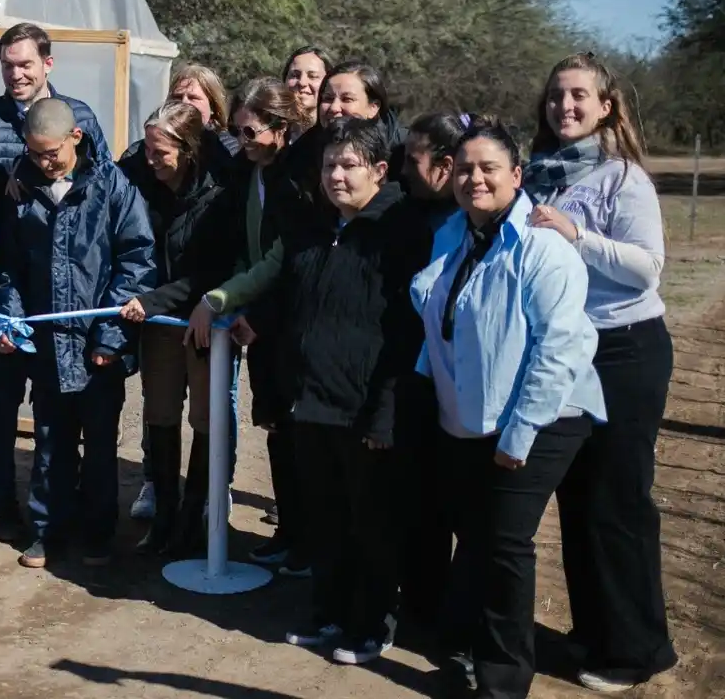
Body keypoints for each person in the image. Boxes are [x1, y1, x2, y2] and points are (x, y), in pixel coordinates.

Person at [409, 118, 605, 698]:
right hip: (471, 410)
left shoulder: (544, 249)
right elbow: (441, 321)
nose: (475, 179)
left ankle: (502, 680)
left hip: (547, 415)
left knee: (504, 542)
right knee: (475, 531)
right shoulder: (452, 234)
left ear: (517, 176)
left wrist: (519, 435)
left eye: (489, 168)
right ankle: (470, 642)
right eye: (465, 168)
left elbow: (559, 348)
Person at [232, 119, 431, 663]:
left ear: (380, 171)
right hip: (310, 404)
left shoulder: (401, 233)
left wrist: (385, 413)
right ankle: (330, 614)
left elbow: (407, 333)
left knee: (372, 525)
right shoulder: (316, 230)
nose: (336, 176)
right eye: (328, 165)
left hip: (363, 410)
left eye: (348, 166)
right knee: (326, 520)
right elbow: (293, 307)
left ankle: (372, 625)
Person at [523, 53, 676, 693]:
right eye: (557, 95)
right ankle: (593, 632)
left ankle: (637, 649)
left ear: (606, 106)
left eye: (580, 95)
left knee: (617, 503)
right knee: (578, 498)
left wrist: (574, 234)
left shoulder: (623, 179)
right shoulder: (540, 175)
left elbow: (647, 268)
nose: (567, 106)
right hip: (567, 349)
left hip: (626, 350)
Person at [0, 98, 155, 569]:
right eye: (35, 153)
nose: (44, 162)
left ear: (75, 138)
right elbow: (12, 268)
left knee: (101, 446)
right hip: (46, 345)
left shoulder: (112, 187)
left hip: (95, 347)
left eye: (52, 154)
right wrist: (14, 322)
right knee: (50, 442)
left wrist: (110, 338)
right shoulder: (21, 188)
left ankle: (98, 534)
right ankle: (47, 531)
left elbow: (137, 261)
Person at [0, 22, 111, 538]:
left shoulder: (82, 116)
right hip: (13, 281)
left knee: (66, 402)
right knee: (3, 396)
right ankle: (2, 498)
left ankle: (69, 506)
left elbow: (102, 192)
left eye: (25, 64)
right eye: (7, 65)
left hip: (71, 285)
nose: (16, 74)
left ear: (47, 64)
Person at [185, 78, 310, 576]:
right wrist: (239, 303)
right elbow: (245, 244)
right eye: (238, 130)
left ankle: (310, 539)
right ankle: (291, 533)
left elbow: (283, 256)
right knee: (276, 428)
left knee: (301, 434)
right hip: (255, 316)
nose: (245, 139)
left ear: (281, 128)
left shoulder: (296, 178)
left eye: (253, 130)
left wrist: (225, 298)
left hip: (286, 318)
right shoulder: (246, 171)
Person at [119, 102, 238, 556]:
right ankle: (164, 516)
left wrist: (151, 302)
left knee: (206, 418)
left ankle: (194, 516)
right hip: (159, 325)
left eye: (160, 152)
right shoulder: (139, 181)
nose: (150, 159)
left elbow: (211, 269)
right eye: (147, 149)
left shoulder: (219, 193)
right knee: (160, 412)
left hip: (203, 321)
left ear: (188, 151)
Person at [392, 111, 465, 638]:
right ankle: (420, 600)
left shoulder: (462, 223)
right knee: (416, 504)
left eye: (410, 161)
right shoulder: (407, 212)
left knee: (453, 505)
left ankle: (451, 611)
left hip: (454, 384)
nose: (401, 171)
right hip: (412, 377)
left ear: (443, 166)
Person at [281, 46, 334, 132]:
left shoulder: (336, 139)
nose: (302, 82)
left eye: (313, 76)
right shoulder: (271, 134)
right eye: (295, 75)